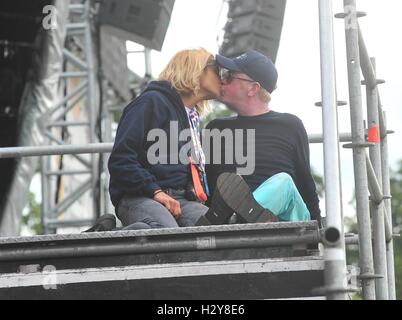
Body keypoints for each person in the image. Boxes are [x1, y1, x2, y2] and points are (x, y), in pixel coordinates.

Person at [200, 50, 322, 226]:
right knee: (227, 188)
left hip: (284, 223)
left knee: (283, 183)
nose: (222, 80)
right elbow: (210, 186)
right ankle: (246, 218)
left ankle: (244, 216)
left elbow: (306, 185)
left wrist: (318, 234)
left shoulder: (289, 125)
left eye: (230, 76)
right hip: (235, 221)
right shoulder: (216, 128)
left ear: (253, 88)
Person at [107, 48, 221, 230]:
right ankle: (113, 236)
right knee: (167, 236)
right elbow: (121, 159)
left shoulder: (191, 117)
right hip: (141, 195)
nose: (221, 76)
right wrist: (155, 191)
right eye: (215, 68)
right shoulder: (151, 102)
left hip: (183, 199)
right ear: (196, 69)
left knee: (220, 232)